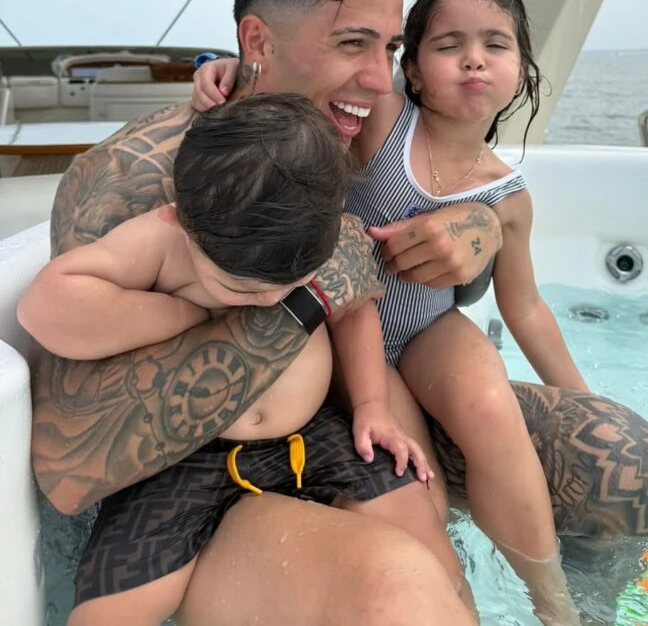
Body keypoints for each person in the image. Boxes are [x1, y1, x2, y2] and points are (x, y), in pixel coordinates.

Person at [30, 0, 648, 626]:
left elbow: (437, 209)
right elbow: (73, 453)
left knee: (629, 465)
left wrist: (484, 227)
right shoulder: (140, 179)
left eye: (391, 49)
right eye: (352, 44)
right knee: (403, 595)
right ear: (256, 41)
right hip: (216, 469)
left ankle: (566, 608)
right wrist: (303, 300)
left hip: (362, 406)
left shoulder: (348, 134)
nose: (377, 80)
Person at [192, 0, 586, 626]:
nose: (474, 60)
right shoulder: (385, 123)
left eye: (496, 44)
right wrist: (237, 70)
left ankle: (554, 601)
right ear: (414, 72)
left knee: (493, 411)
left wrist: (582, 398)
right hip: (355, 328)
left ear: (522, 69)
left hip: (430, 329)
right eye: (449, 45)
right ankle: (452, 591)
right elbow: (306, 88)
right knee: (419, 478)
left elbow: (526, 309)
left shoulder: (508, 196)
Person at [20, 93, 470, 625]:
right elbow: (44, 306)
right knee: (105, 615)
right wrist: (179, 313)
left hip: (309, 435)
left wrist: (373, 407)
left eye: (289, 286)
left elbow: (353, 311)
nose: (266, 301)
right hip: (183, 460)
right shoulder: (161, 239)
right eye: (239, 288)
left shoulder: (314, 235)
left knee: (424, 531)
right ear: (179, 219)